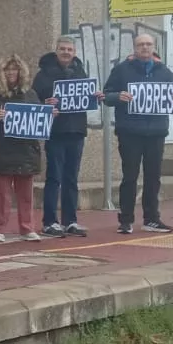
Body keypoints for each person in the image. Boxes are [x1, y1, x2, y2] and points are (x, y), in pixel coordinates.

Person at [103, 32, 173, 234]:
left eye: (148, 44)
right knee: (130, 176)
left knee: (153, 177)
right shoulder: (121, 70)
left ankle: (152, 219)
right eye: (141, 45)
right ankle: (126, 220)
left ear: (154, 47)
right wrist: (117, 96)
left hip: (156, 132)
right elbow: (106, 95)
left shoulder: (164, 71)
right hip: (130, 131)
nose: (145, 48)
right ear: (134, 47)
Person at [33, 36, 103, 237]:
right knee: (54, 177)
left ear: (74, 52)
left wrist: (94, 97)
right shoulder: (43, 75)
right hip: (55, 132)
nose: (66, 52)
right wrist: (45, 104)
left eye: (69, 49)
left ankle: (70, 220)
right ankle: (49, 222)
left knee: (71, 178)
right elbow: (33, 101)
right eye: (62, 49)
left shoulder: (80, 71)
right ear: (56, 51)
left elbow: (84, 98)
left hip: (77, 131)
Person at [0, 54, 45, 243]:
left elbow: (38, 120)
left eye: (15, 69)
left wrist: (49, 114)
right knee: (1, 195)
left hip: (26, 151)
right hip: (0, 149)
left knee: (26, 194)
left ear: (21, 72)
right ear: (1, 72)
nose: (11, 72)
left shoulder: (31, 94)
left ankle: (27, 228)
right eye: (7, 69)